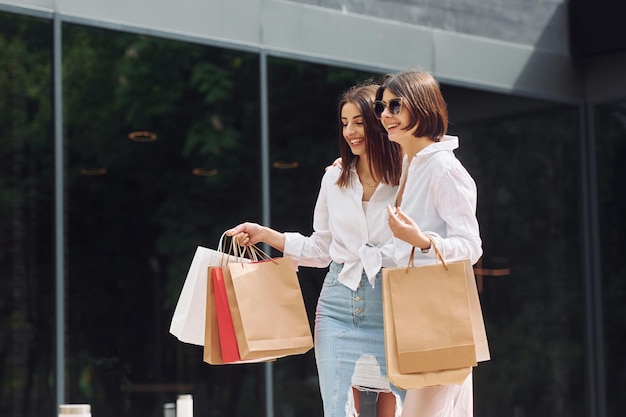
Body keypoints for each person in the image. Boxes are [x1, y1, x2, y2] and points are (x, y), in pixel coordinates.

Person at [227, 82, 406, 417]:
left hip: (394, 307)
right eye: (344, 123)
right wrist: (267, 234)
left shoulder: (408, 176)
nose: (351, 131)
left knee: (401, 409)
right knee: (337, 411)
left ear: (378, 122)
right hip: (337, 307)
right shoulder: (335, 178)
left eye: (359, 121)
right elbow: (322, 247)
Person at [374, 70, 482, 417]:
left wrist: (422, 242)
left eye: (395, 105)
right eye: (382, 106)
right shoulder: (411, 163)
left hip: (436, 316)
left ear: (420, 107)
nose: (385, 115)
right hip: (415, 315)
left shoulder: (443, 168)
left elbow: (471, 245)